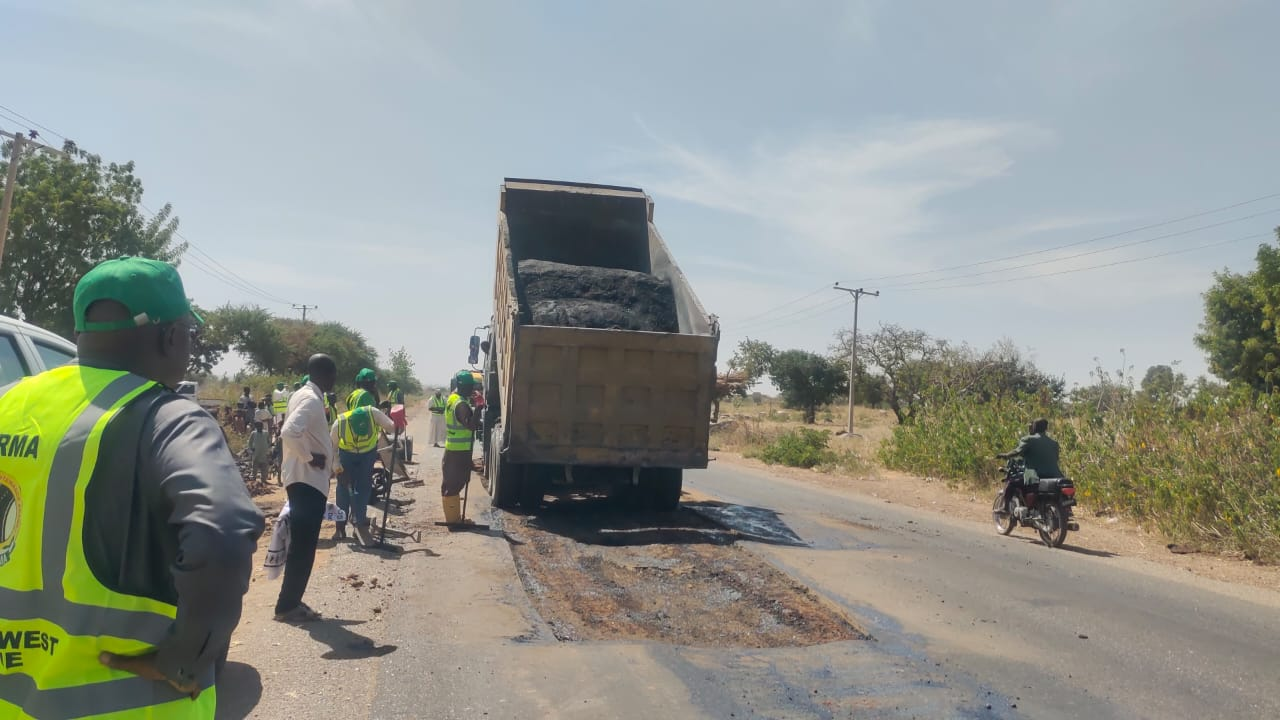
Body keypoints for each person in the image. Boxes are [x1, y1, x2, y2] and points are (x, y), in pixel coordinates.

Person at [0, 256, 264, 717]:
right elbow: (222, 531)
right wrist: (189, 656)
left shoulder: (10, 402)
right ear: (172, 337)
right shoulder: (170, 420)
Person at [275, 354, 338, 623]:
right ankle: (287, 606)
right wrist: (311, 458)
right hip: (306, 480)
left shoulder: (301, 395)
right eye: (333, 374)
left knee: (302, 544)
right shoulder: (311, 400)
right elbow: (289, 432)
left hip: (301, 478)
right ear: (326, 374)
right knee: (304, 545)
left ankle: (291, 601)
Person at [330, 403, 398, 543]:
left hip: (367, 455)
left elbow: (392, 427)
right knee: (343, 489)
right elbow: (331, 449)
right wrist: (338, 470)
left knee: (364, 488)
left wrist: (398, 423)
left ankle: (359, 523)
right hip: (347, 456)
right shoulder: (339, 423)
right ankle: (340, 526)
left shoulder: (373, 413)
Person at [996, 417, 1064, 512]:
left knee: (1011, 483)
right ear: (1046, 428)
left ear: (1034, 427)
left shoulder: (1028, 439)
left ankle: (1005, 508)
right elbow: (1056, 458)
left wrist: (1005, 455)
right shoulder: (1054, 443)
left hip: (1035, 476)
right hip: (1054, 476)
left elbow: (1017, 452)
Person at [441, 370, 481, 524]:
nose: (471, 389)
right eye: (469, 387)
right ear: (462, 386)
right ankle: (453, 520)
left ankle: (454, 517)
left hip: (454, 448)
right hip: (459, 451)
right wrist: (478, 407)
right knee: (455, 483)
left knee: (452, 482)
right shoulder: (461, 404)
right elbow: (471, 425)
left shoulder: (453, 398)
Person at [247, 420, 273, 485]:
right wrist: (251, 449)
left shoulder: (266, 433)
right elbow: (249, 443)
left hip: (264, 453)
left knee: (264, 468)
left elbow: (269, 441)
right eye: (258, 426)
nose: (260, 427)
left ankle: (263, 480)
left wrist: (269, 449)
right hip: (256, 453)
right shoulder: (253, 433)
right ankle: (254, 480)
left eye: (261, 426)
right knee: (255, 468)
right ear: (256, 427)